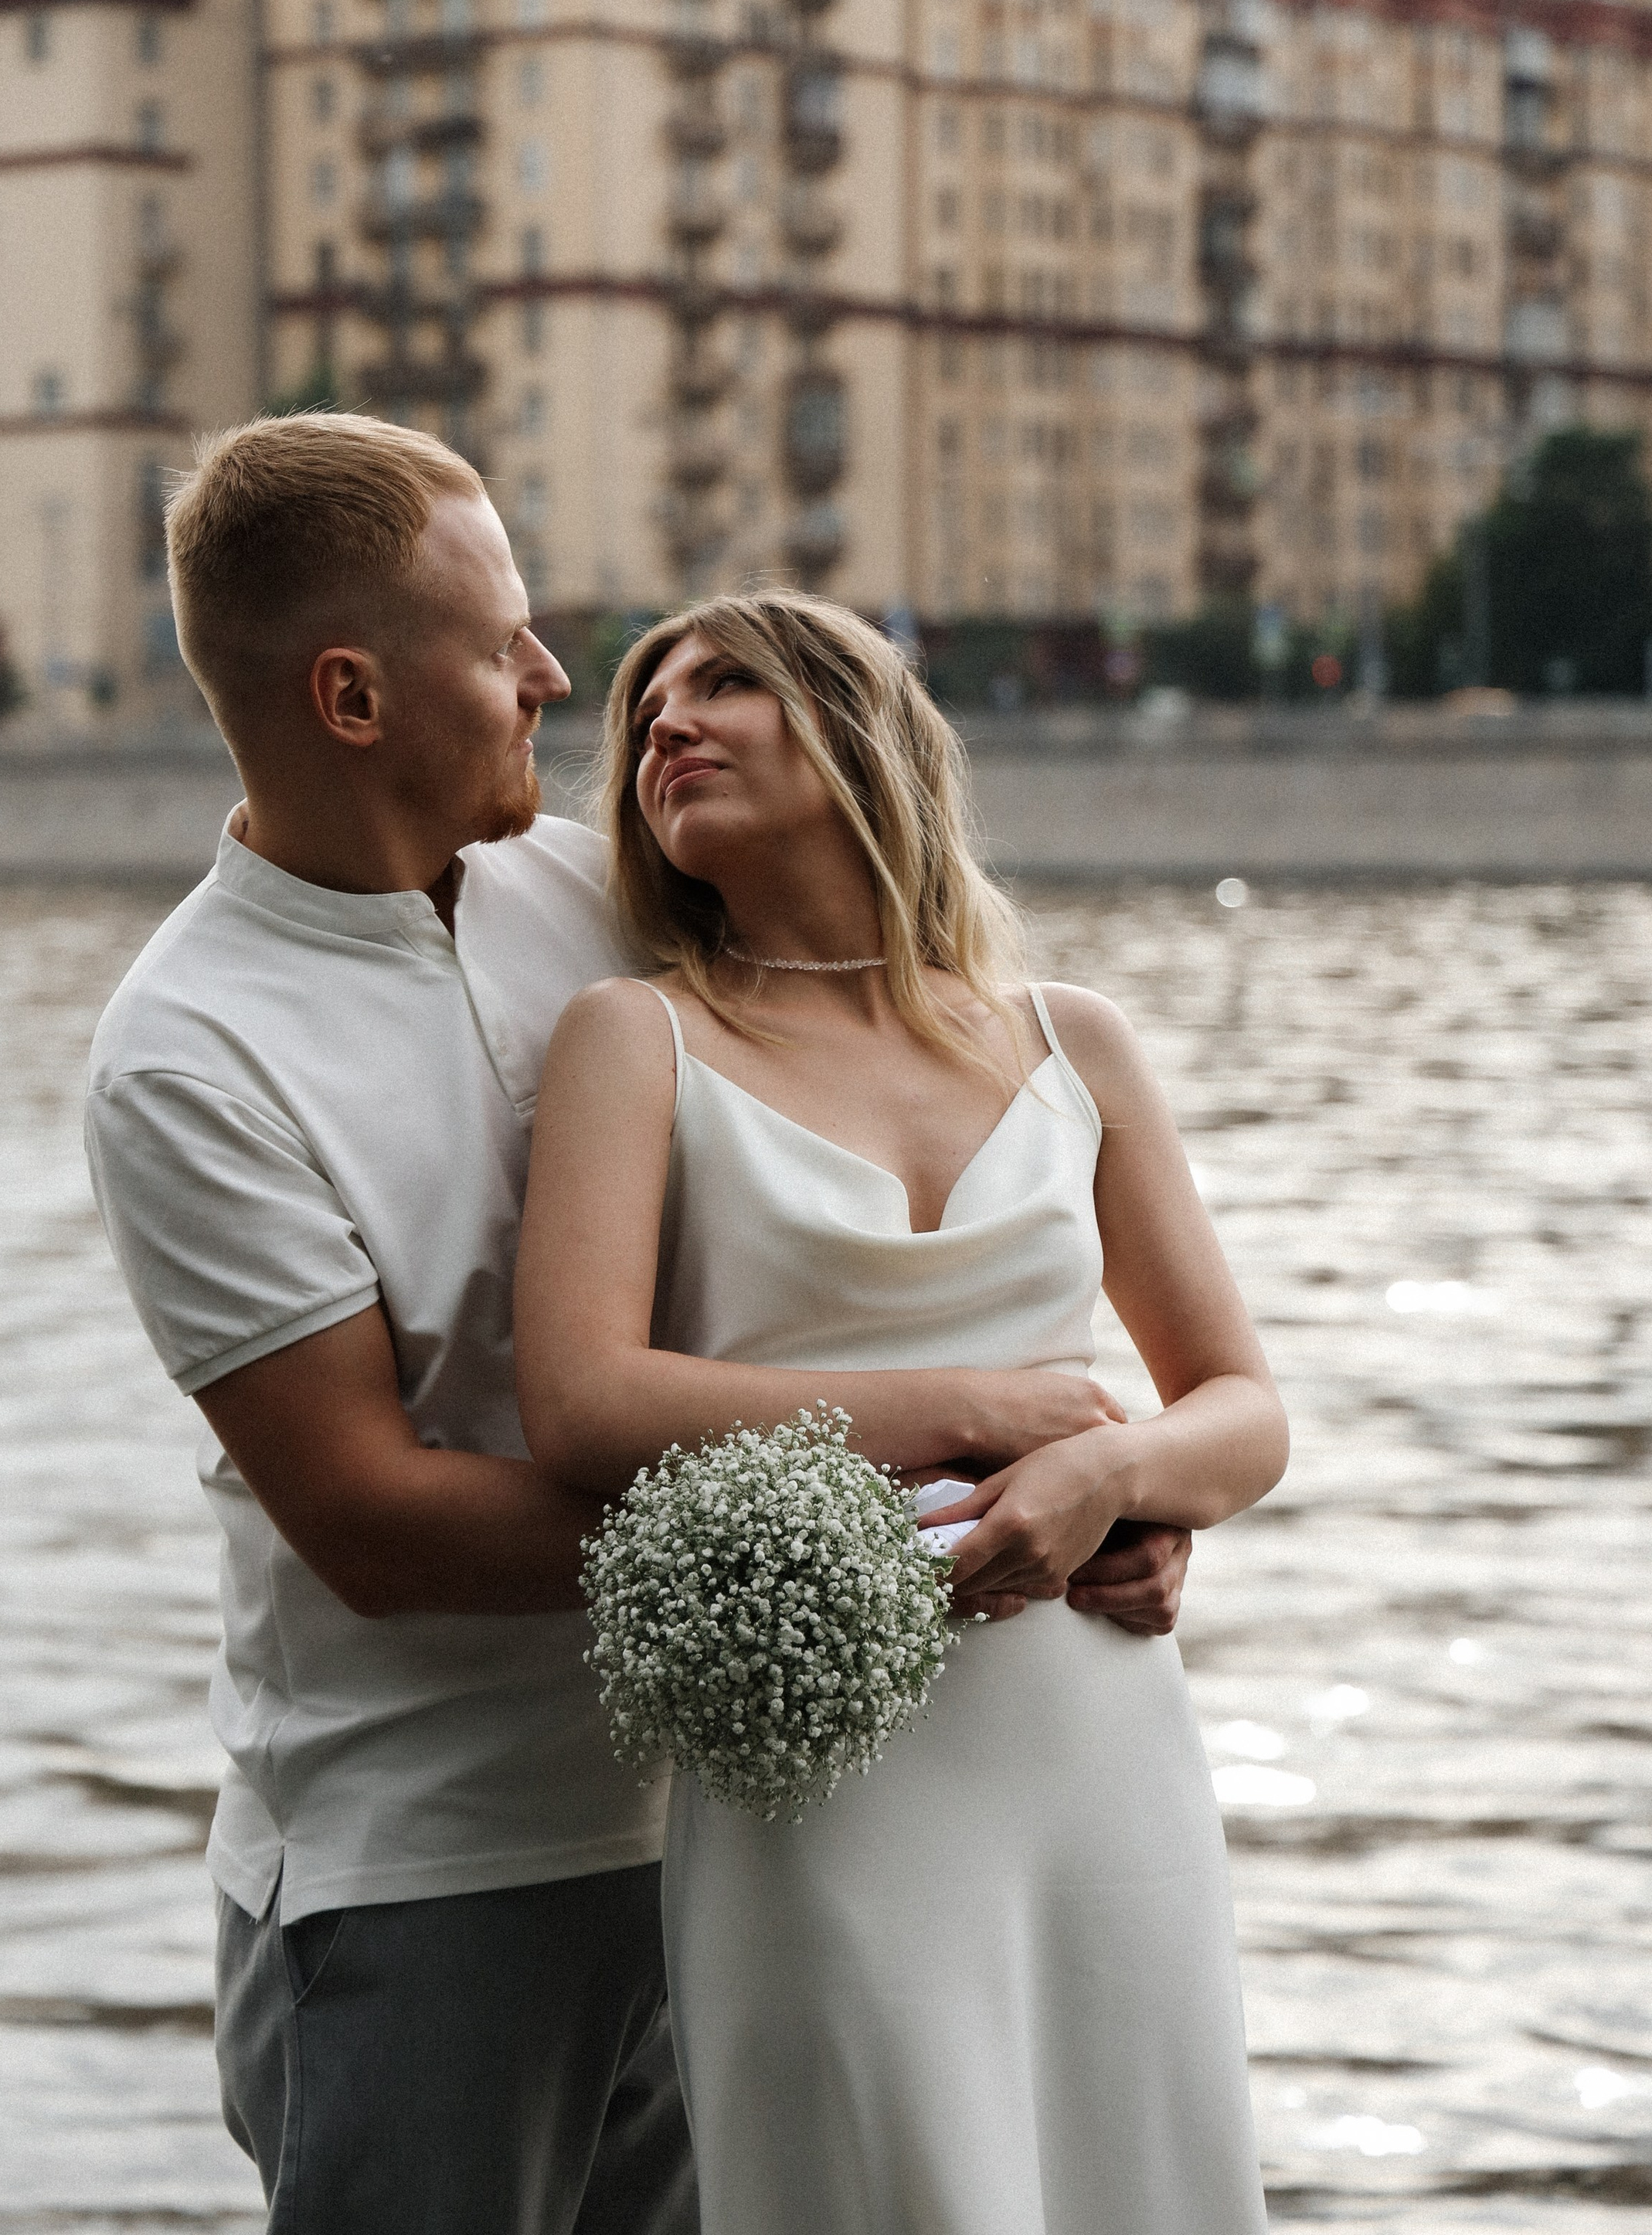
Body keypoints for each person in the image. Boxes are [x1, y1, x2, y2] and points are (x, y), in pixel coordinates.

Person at [84, 417, 1191, 2235]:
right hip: (430, 1871)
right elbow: (374, 1521)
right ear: (352, 699)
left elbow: (915, 1132)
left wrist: (1100, 1502)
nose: (550, 674)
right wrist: (947, 1526)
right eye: (500, 636)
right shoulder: (189, 1056)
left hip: (763, 1824)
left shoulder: (607, 902)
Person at [514, 590, 1287, 2235]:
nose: (665, 721)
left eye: (726, 684)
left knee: (1133, 2176)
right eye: (647, 705)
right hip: (821, 1761)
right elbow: (583, 1405)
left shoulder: (1072, 1041)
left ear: (859, 731)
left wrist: (1108, 1477)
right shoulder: (633, 1038)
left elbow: (1242, 1413)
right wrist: (967, 1405)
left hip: (1096, 1738)